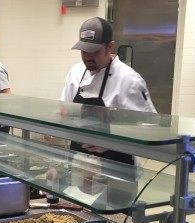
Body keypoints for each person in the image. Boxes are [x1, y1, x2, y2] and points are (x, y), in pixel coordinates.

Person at [61, 17, 156, 165]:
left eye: (94, 52)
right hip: (79, 164)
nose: (87, 57)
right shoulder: (75, 72)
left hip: (117, 164)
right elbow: (64, 111)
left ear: (110, 46)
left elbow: (150, 128)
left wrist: (111, 141)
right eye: (84, 51)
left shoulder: (129, 80)